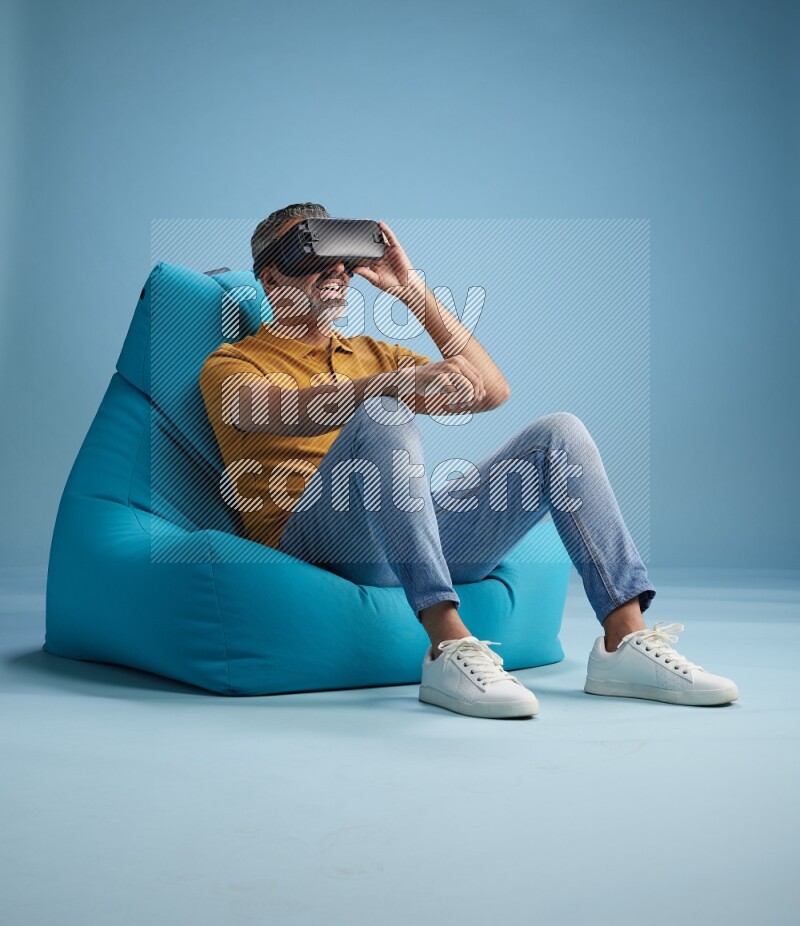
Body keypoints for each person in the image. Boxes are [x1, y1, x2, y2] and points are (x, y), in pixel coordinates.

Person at [200, 202, 739, 719]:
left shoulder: (373, 351)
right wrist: (392, 387)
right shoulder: (231, 363)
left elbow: (490, 389)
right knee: (385, 411)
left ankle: (625, 640)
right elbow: (278, 409)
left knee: (559, 433)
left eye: (343, 257)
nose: (337, 270)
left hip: (407, 538)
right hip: (316, 543)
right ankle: (448, 648)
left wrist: (413, 292)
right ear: (271, 278)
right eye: (314, 256)